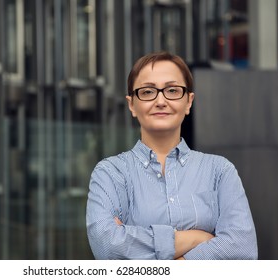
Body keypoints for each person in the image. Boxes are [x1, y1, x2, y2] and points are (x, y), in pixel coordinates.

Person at [86, 51, 258, 260]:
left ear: (188, 102)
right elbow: (108, 248)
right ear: (132, 104)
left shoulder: (219, 171)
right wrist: (198, 239)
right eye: (148, 92)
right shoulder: (111, 173)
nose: (160, 101)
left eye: (172, 90)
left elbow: (243, 250)